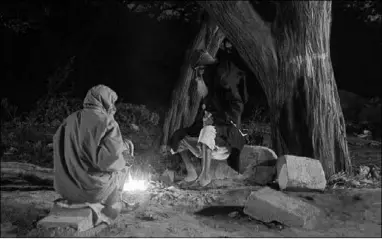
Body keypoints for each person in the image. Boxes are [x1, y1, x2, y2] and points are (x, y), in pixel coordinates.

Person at [168, 50, 248, 188]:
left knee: (208, 131)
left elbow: (236, 109)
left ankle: (205, 177)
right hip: (209, 143)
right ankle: (191, 173)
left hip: (226, 139)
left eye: (199, 77)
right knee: (179, 136)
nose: (196, 80)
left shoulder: (224, 85)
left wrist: (215, 120)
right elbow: (200, 123)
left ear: (204, 71)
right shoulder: (209, 99)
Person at [53, 84, 133, 219]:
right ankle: (113, 202)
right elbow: (109, 161)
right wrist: (125, 155)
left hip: (64, 189)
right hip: (92, 191)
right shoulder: (107, 122)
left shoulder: (70, 119)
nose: (114, 106)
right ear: (106, 102)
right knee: (124, 157)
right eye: (112, 102)